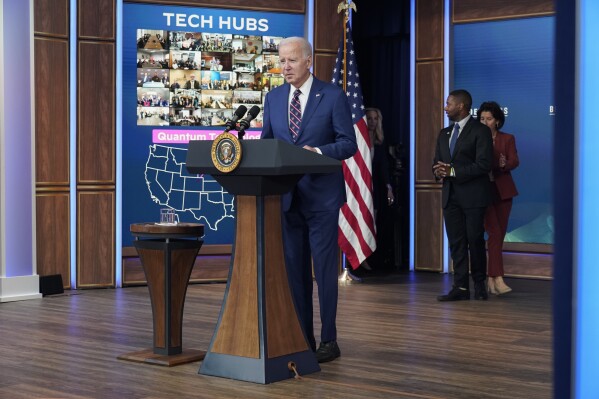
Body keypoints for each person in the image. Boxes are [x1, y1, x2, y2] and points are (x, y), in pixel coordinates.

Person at [260, 37, 357, 363]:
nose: (284, 67)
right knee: (294, 273)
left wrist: (316, 152)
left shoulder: (332, 96)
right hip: (287, 199)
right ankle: (303, 337)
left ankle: (329, 339)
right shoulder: (272, 98)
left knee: (325, 271)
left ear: (309, 61)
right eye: (282, 61)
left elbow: (348, 144)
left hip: (323, 199)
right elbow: (267, 145)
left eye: (291, 61)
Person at [433, 89, 493, 301]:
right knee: (456, 243)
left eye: (448, 103)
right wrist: (438, 171)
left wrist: (453, 171)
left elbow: (484, 164)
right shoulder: (444, 133)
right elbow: (437, 162)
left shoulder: (480, 131)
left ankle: (479, 284)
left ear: (461, 106)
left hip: (474, 196)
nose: (445, 107)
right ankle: (461, 287)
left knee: (475, 240)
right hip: (450, 196)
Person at [477, 101, 519, 295]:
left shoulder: (507, 138)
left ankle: (492, 280)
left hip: (503, 191)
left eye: (489, 119)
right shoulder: (475, 139)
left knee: (499, 235)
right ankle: (497, 278)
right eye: (482, 118)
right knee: (494, 233)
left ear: (498, 121)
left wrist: (504, 164)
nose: (485, 122)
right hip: (483, 191)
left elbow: (514, 160)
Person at [361, 108, 395, 271]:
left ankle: (368, 258)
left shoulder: (380, 142)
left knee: (371, 222)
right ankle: (358, 259)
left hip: (374, 189)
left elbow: (384, 168)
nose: (373, 121)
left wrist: (389, 187)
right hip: (359, 186)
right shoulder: (358, 139)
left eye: (375, 118)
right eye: (369, 118)